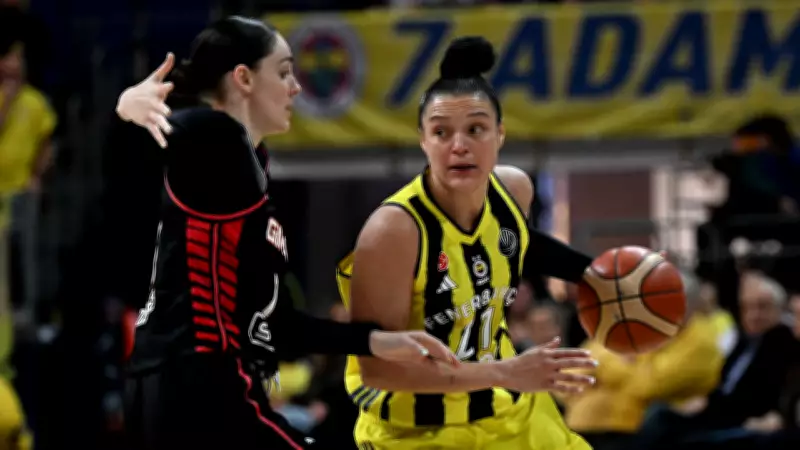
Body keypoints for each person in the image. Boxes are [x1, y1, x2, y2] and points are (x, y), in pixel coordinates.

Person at [113, 17, 458, 450]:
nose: (295, 87)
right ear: (243, 78)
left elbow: (280, 325)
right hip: (200, 378)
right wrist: (130, 105)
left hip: (173, 384)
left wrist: (379, 342)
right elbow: (162, 132)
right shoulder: (218, 137)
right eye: (283, 72)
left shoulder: (246, 166)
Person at [334, 37, 602, 449]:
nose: (458, 146)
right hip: (416, 427)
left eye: (475, 129)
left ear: (500, 134)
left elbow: (515, 242)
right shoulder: (393, 231)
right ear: (423, 141)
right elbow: (380, 371)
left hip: (506, 407)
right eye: (441, 132)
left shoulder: (513, 191)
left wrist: (595, 274)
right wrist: (507, 371)